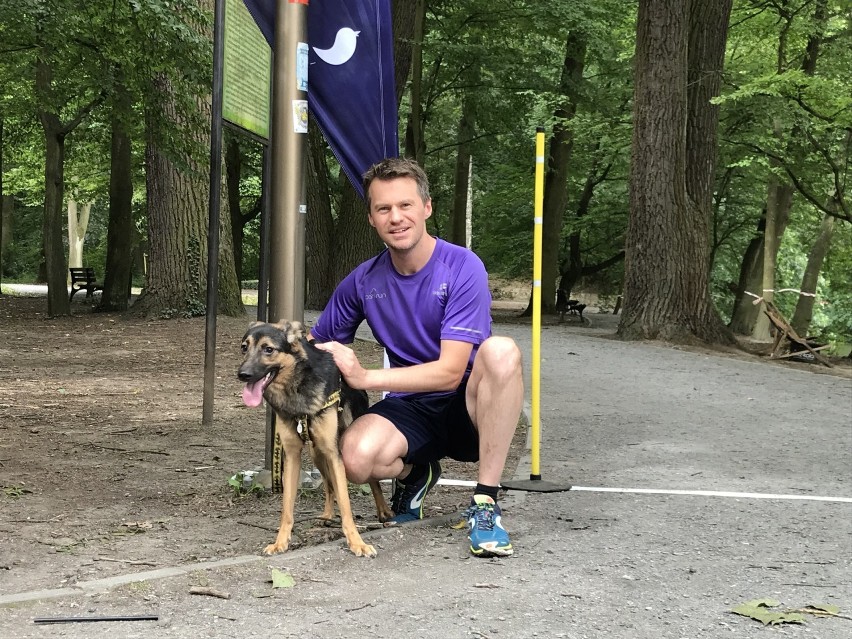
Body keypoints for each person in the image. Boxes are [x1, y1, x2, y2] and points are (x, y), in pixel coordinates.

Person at [309, 157, 523, 557]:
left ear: (426, 208)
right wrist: (274, 357)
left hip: (469, 405)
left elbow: (449, 372)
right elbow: (317, 341)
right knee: (355, 460)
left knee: (501, 351)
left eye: (405, 205)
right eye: (383, 208)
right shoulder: (363, 279)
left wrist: (365, 377)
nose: (396, 217)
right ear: (371, 218)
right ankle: (415, 471)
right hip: (410, 406)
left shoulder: (462, 266)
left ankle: (486, 503)